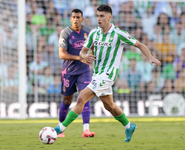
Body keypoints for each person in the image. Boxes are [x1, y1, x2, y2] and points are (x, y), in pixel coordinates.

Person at [54, 5, 161, 142]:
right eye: (97, 16)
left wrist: (150, 57)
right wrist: (84, 56)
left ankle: (60, 129)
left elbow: (139, 44)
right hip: (97, 74)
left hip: (108, 75)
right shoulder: (94, 33)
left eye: (102, 16)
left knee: (81, 98)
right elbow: (83, 51)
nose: (99, 19)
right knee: (109, 106)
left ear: (109, 17)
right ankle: (129, 126)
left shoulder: (118, 34)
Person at [57, 9, 95, 138]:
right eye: (73, 17)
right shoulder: (65, 33)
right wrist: (80, 57)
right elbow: (61, 54)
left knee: (84, 96)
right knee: (67, 101)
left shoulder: (89, 31)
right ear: (70, 19)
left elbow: (94, 47)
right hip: (69, 71)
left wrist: (92, 57)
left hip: (84, 70)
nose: (76, 19)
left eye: (78, 17)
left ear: (82, 19)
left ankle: (86, 130)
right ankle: (61, 129)